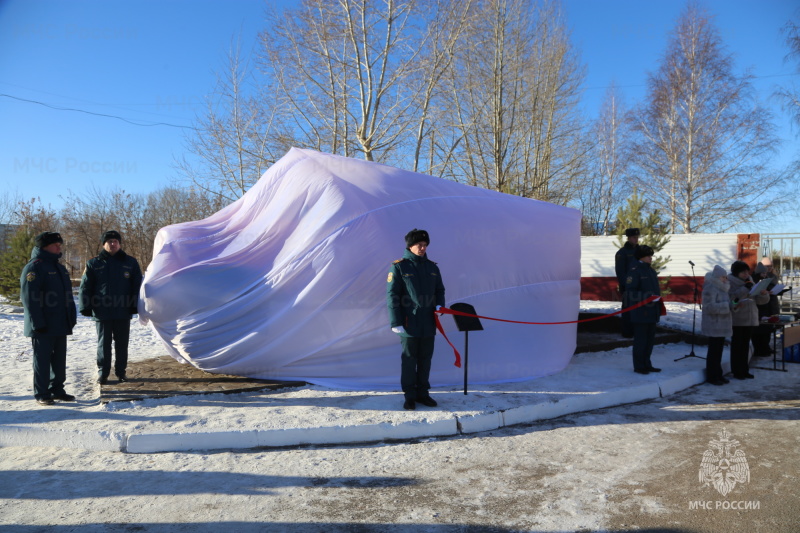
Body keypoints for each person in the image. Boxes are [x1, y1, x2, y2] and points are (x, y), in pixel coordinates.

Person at [386, 229, 445, 410]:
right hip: (408, 322)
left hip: (428, 322)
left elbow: (439, 290)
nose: (422, 248)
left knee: (425, 359)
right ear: (410, 246)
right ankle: (409, 396)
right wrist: (395, 321)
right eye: (419, 244)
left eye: (425, 245)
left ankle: (423, 394)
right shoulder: (399, 267)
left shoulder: (432, 267)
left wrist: (439, 305)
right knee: (410, 360)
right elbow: (392, 295)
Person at [20, 231, 78, 405]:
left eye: (59, 244)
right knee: (42, 361)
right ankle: (42, 393)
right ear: (44, 247)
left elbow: (67, 296)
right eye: (56, 244)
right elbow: (29, 298)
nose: (59, 247)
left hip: (60, 323)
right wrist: (37, 323)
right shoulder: (34, 267)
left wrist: (71, 316)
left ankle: (57, 390)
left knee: (59, 360)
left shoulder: (58, 267)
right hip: (43, 325)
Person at [79, 230, 143, 384]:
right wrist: (85, 306)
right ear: (103, 244)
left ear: (120, 244)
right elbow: (85, 287)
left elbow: (137, 286)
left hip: (123, 310)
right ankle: (103, 373)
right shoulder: (93, 263)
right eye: (109, 241)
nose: (113, 244)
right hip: (102, 311)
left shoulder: (130, 262)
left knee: (122, 344)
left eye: (115, 241)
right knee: (104, 344)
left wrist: (135, 305)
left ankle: (121, 372)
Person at [727, 260, 769, 380]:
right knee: (737, 346)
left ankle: (744, 370)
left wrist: (763, 294)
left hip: (750, 318)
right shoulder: (730, 282)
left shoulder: (750, 280)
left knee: (745, 345)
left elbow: (760, 301)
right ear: (736, 273)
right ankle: (736, 371)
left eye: (747, 271)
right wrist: (745, 289)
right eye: (743, 272)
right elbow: (732, 298)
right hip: (738, 318)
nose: (746, 274)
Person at [624, 244, 662, 374]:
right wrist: (648, 297)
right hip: (640, 312)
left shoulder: (650, 271)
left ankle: (647, 363)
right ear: (641, 257)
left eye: (651, 255)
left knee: (650, 341)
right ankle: (639, 366)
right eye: (648, 256)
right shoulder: (635, 271)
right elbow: (630, 292)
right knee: (641, 341)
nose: (651, 258)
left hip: (652, 311)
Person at [700, 265, 733, 385]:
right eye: (723, 277)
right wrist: (727, 306)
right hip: (714, 324)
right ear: (718, 277)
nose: (726, 279)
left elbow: (725, 304)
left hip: (721, 324)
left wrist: (733, 305)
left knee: (718, 351)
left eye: (726, 277)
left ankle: (718, 374)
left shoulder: (723, 289)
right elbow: (709, 307)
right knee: (714, 351)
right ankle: (712, 376)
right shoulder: (710, 288)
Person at [751, 258, 781, 358]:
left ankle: (765, 348)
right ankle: (759, 349)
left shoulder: (770, 277)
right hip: (759, 308)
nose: (765, 274)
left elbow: (771, 287)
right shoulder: (754, 280)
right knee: (759, 330)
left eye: (770, 266)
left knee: (767, 329)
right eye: (763, 272)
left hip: (769, 306)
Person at [615, 228, 640, 338]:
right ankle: (627, 332)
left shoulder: (641, 250)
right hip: (628, 286)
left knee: (639, 309)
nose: (636, 239)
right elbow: (620, 271)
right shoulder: (622, 252)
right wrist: (626, 285)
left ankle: (638, 331)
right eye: (634, 237)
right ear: (629, 238)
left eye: (637, 237)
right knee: (627, 309)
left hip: (640, 285)